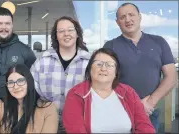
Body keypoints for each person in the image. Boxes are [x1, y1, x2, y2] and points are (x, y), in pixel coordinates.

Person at [103, 2, 177, 130]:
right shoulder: (110, 46)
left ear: (140, 17)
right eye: (122, 17)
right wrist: (134, 105)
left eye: (131, 15)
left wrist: (150, 102)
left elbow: (171, 76)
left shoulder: (159, 42)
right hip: (120, 113)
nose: (128, 19)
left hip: (150, 111)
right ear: (117, 22)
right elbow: (104, 81)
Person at [63, 48, 155, 133]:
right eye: (99, 64)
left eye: (109, 65)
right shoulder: (75, 94)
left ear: (116, 72)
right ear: (90, 69)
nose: (103, 68)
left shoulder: (128, 92)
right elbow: (75, 130)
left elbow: (145, 127)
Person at [30, 16, 90, 133]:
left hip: (78, 123)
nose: (66, 34)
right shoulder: (42, 60)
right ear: (56, 36)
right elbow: (31, 89)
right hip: (45, 122)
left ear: (77, 34)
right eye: (61, 31)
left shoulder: (89, 62)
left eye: (70, 30)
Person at [0, 64, 58, 133]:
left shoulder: (48, 108)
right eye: (11, 82)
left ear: (29, 81)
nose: (16, 87)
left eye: (20, 81)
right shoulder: (0, 108)